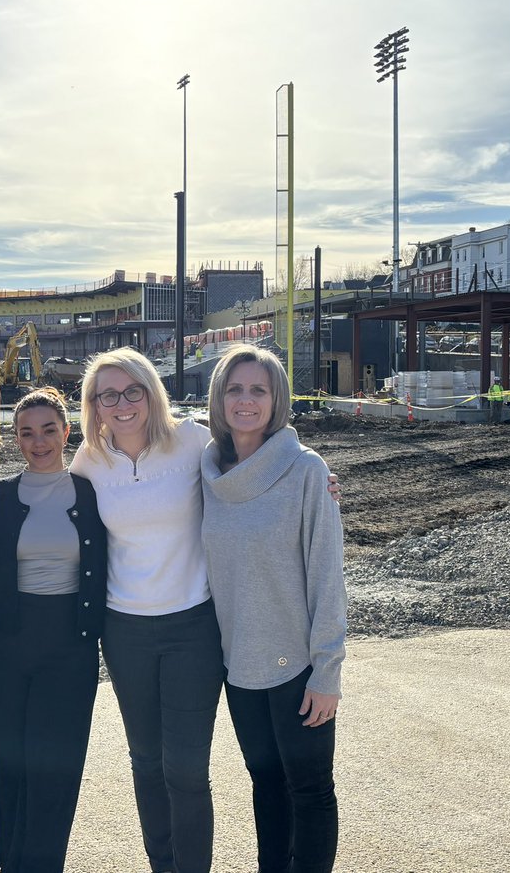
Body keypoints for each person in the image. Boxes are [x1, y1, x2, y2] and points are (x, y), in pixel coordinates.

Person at [70, 348, 339, 873]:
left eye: (133, 391)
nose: (122, 403)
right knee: (152, 764)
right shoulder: (92, 462)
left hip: (197, 628)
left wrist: (324, 486)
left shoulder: (193, 443)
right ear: (94, 405)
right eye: (108, 395)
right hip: (132, 633)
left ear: (152, 392)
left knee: (191, 770)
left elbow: (274, 486)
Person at [200, 344, 346, 873]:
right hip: (239, 667)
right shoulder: (208, 472)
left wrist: (327, 670)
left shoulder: (307, 472)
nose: (245, 400)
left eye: (258, 390)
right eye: (234, 389)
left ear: (276, 398)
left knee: (308, 790)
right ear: (218, 398)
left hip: (298, 667)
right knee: (264, 783)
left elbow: (328, 574)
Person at [0, 387, 108, 873]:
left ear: (67, 431)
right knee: (10, 760)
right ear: (15, 438)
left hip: (70, 643)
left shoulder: (93, 493)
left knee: (57, 764)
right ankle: (8, 859)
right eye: (27, 433)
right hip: (7, 644)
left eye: (49, 430)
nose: (38, 442)